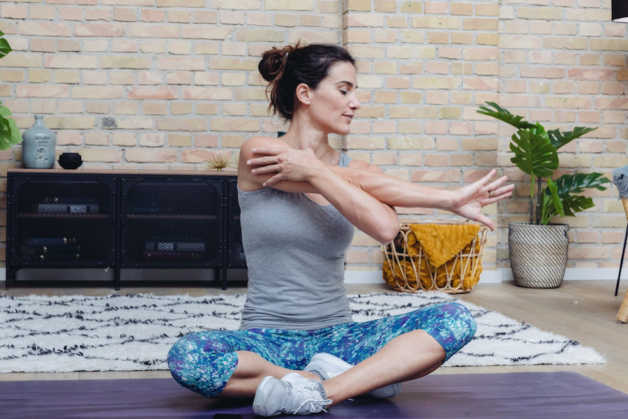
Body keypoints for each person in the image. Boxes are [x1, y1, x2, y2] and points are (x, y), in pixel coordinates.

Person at [167, 43, 514, 416]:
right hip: (264, 337)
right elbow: (344, 178)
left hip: (339, 337)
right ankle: (356, 380)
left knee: (454, 320)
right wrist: (445, 198)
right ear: (305, 94)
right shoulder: (260, 153)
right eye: (344, 90)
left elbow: (384, 228)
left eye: (356, 92)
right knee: (188, 357)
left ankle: (320, 390)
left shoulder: (360, 172)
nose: (356, 102)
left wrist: (315, 169)